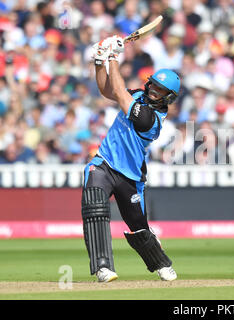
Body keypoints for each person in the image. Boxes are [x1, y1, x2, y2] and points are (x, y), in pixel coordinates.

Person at [83, 35, 181, 283]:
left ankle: (160, 262)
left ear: (168, 97)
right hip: (104, 163)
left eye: (160, 90)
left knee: (139, 229)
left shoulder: (152, 119)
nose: (153, 90)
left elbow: (117, 89)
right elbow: (108, 91)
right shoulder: (137, 95)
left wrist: (113, 57)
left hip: (130, 176)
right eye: (153, 85)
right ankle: (103, 267)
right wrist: (98, 62)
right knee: (95, 207)